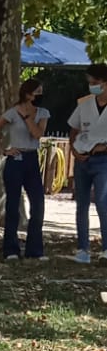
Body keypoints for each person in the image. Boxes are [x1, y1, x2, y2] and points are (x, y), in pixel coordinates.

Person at [0, 77, 49, 261]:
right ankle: (10, 249)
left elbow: (37, 134)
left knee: (38, 203)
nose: (40, 96)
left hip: (32, 158)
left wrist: (28, 117)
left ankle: (35, 249)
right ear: (27, 94)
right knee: (12, 205)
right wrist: (3, 150)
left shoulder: (43, 113)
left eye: (41, 92)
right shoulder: (12, 112)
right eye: (37, 93)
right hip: (15, 159)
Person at [68, 63, 107, 264]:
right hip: (82, 159)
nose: (92, 86)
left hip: (103, 161)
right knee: (81, 204)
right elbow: (73, 129)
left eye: (96, 83)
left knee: (102, 202)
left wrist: (101, 148)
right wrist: (74, 150)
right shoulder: (84, 104)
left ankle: (105, 248)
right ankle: (82, 249)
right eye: (90, 83)